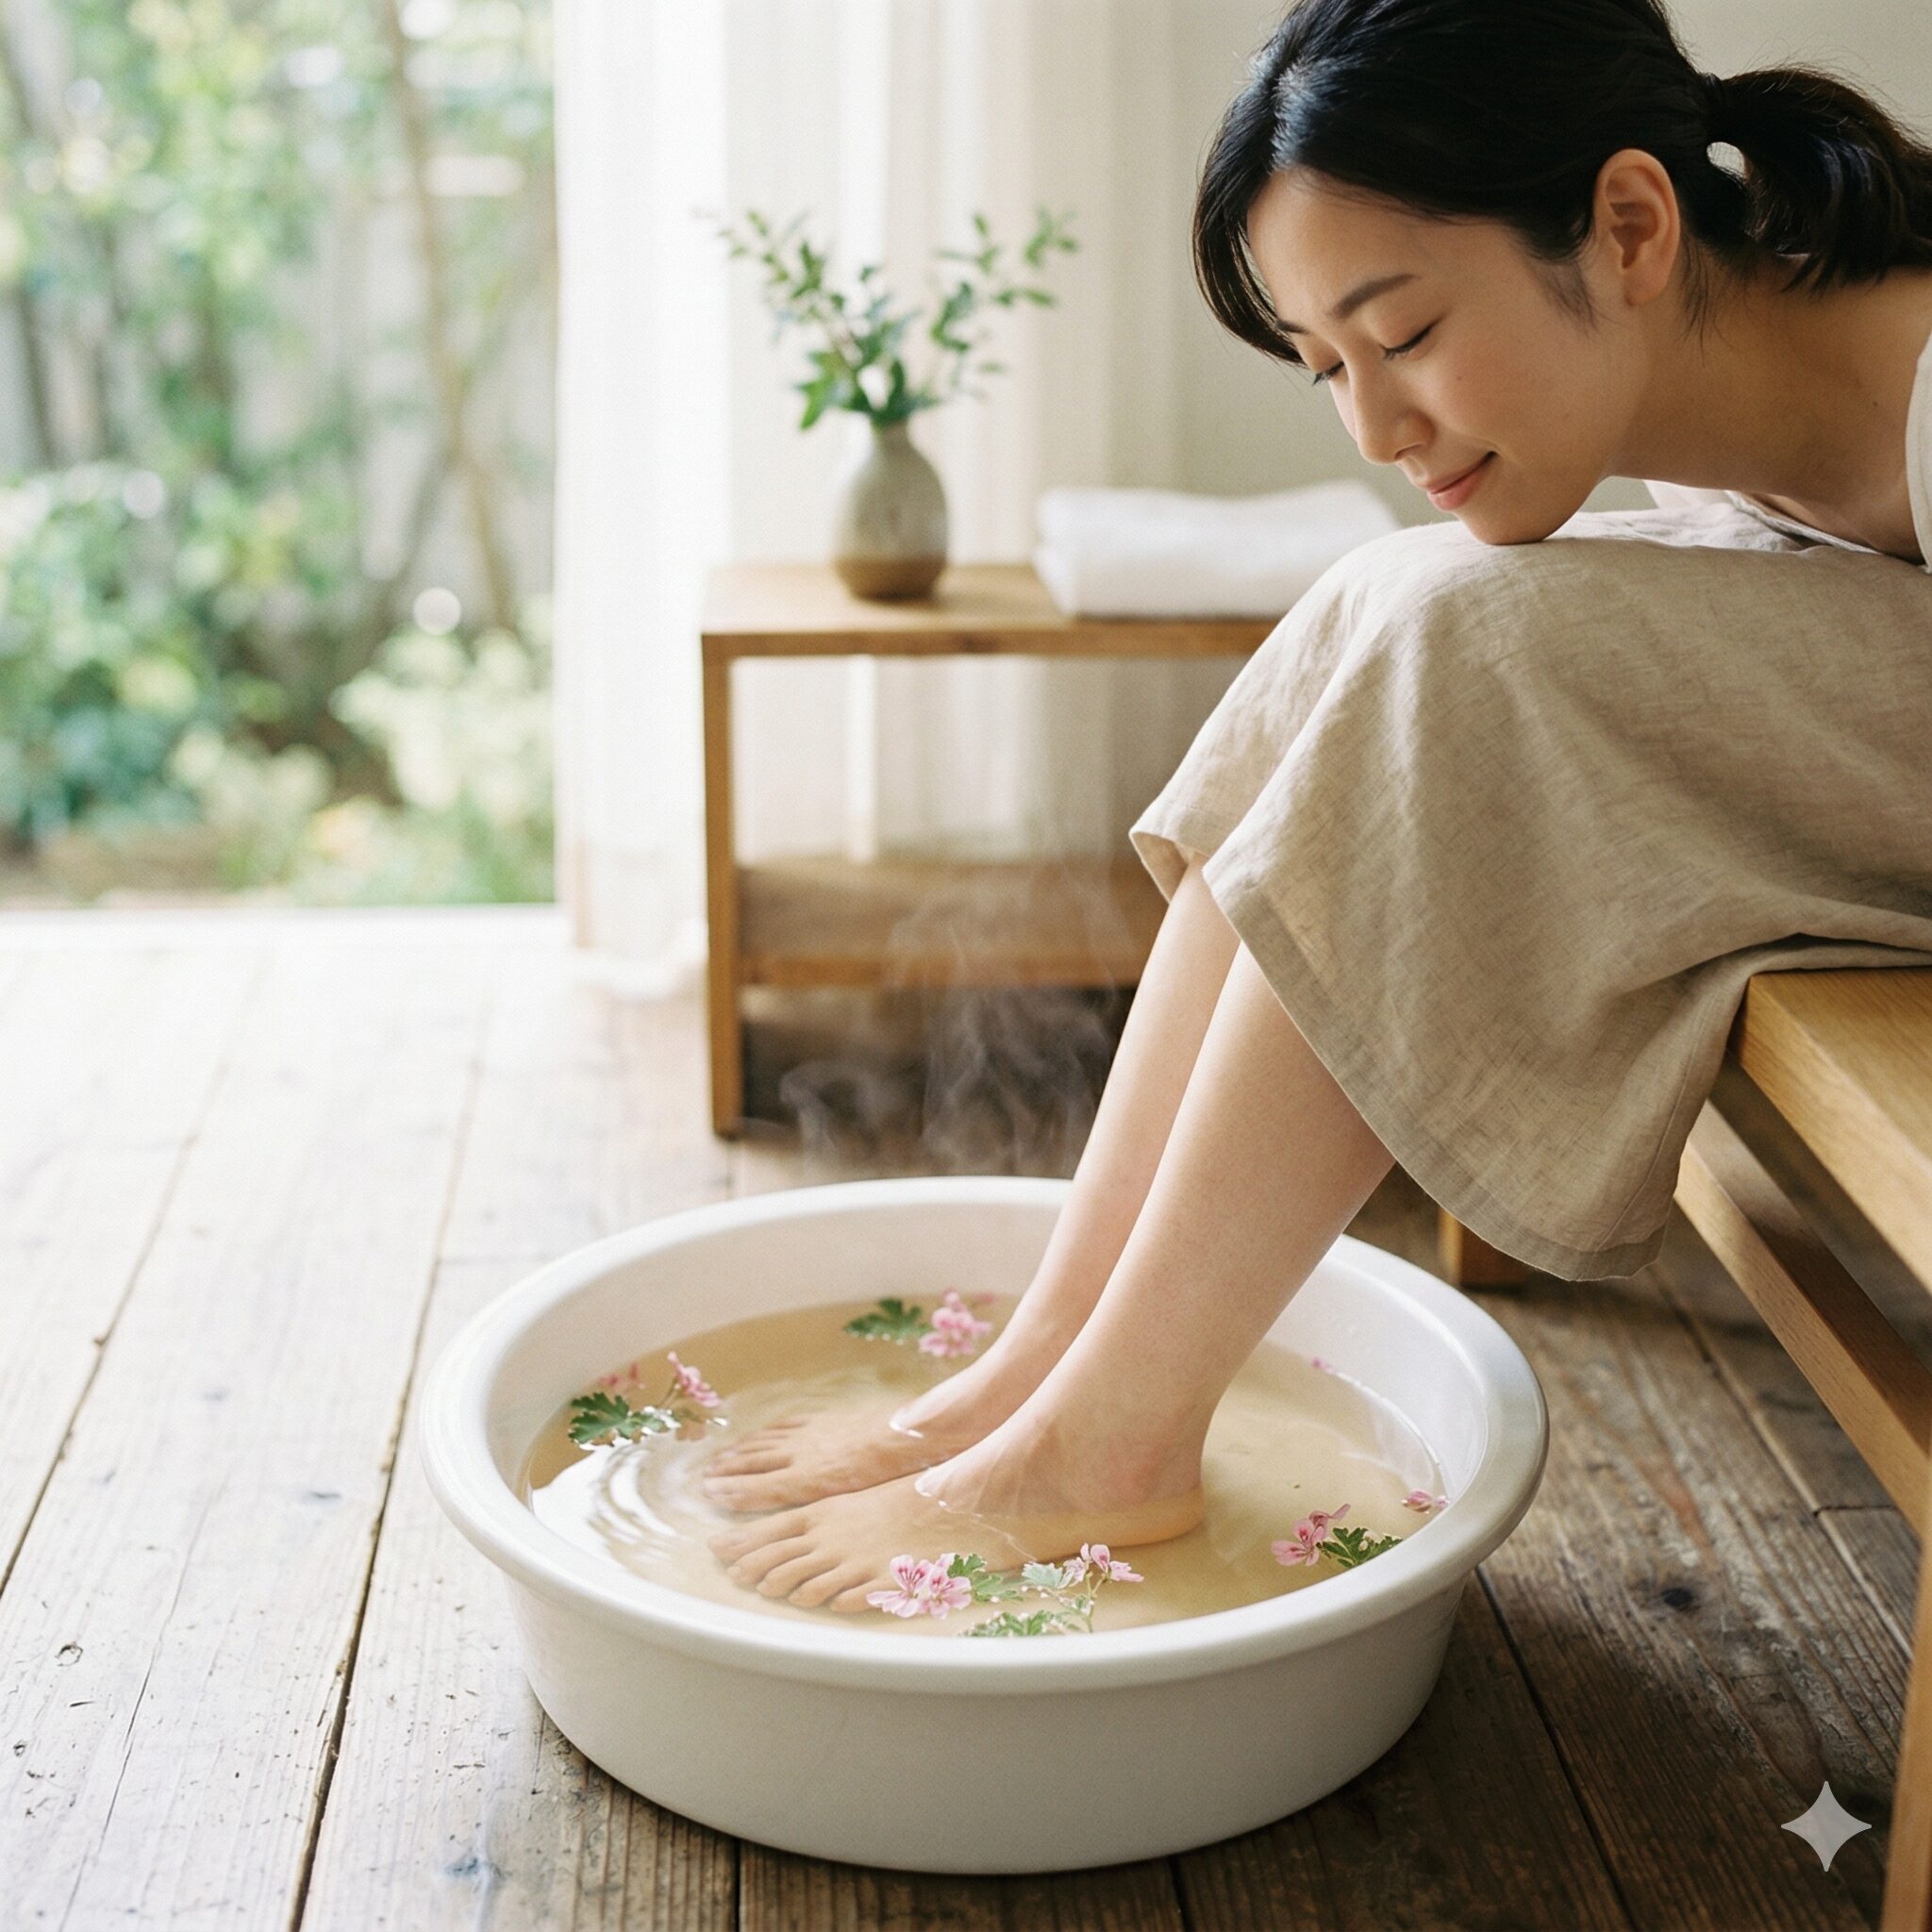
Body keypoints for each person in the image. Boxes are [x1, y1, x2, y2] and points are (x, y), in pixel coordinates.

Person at [706, 0, 1932, 1613]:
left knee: (1452, 641)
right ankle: (1044, 1369)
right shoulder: (1719, 401)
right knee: (1382, 598)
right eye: (1328, 366)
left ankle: (1105, 1437)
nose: (1375, 424)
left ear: (1629, 223)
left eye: (1405, 333)